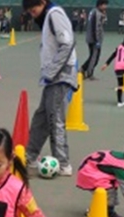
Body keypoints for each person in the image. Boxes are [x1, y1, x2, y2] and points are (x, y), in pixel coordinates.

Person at [22, 0, 77, 177]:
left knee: (55, 119)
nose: (33, 14)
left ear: (43, 2)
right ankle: (30, 156)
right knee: (41, 117)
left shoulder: (55, 14)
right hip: (53, 78)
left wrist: (52, 71)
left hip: (60, 76)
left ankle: (63, 163)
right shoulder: (48, 16)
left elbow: (67, 43)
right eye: (30, 12)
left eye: (34, 10)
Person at [101, 32, 124, 107]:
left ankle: (119, 102)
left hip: (118, 67)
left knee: (120, 85)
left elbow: (113, 55)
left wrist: (106, 64)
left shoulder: (119, 47)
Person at [80, 0, 108, 81]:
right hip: (94, 39)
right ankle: (89, 73)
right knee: (94, 57)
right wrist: (96, 40)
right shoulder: (96, 13)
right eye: (104, 5)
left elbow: (102, 23)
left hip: (93, 38)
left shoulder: (96, 12)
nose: (106, 7)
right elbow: (95, 27)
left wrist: (104, 16)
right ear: (100, 5)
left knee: (93, 56)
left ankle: (82, 69)